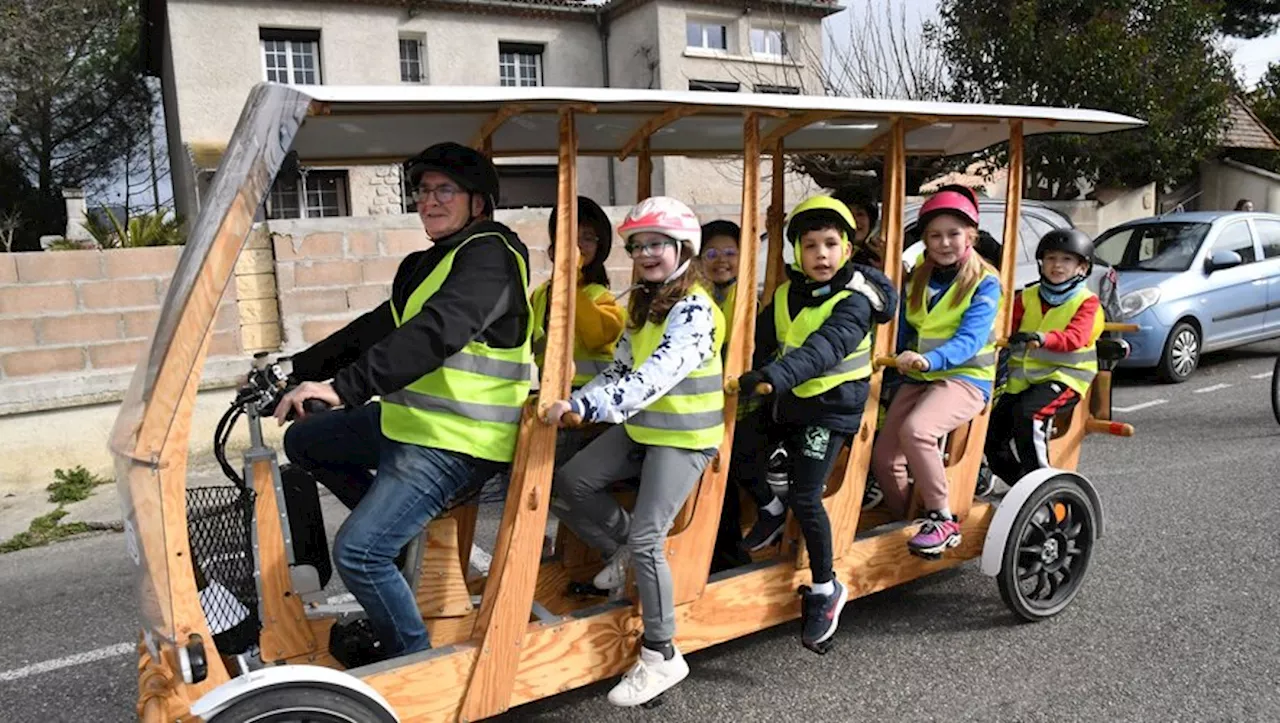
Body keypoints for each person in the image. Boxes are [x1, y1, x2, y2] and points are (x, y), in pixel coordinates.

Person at [276, 142, 533, 660]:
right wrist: (295, 371)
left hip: (459, 440)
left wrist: (341, 389)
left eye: (445, 190)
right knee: (305, 440)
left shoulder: (490, 258)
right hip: (408, 423)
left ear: (478, 203)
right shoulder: (431, 263)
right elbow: (373, 329)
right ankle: (398, 532)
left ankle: (412, 660)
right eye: (422, 190)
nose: (429, 201)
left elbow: (437, 332)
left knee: (359, 552)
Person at [543, 196, 723, 707]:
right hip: (647, 429)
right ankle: (621, 551)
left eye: (657, 244)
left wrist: (593, 407)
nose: (646, 254)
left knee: (649, 538)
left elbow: (653, 377)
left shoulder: (694, 308)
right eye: (638, 246)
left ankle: (662, 653)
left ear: (683, 248)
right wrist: (576, 400)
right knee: (569, 483)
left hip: (686, 436)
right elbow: (621, 367)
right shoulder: (646, 302)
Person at [714, 195, 896, 652]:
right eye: (810, 245)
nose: (821, 254)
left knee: (805, 493)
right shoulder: (783, 295)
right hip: (789, 402)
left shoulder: (855, 302)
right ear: (796, 251)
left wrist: (771, 377)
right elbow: (760, 343)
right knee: (736, 448)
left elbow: (822, 349)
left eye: (831, 244)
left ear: (847, 250)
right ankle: (770, 510)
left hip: (831, 411)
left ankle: (825, 587)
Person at [870, 189, 1001, 558]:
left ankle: (943, 519)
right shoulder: (918, 278)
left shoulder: (985, 281)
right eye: (935, 235)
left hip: (965, 378)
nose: (944, 243)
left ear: (970, 236)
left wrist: (931, 361)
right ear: (924, 241)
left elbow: (971, 339)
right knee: (884, 457)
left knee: (918, 430)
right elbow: (906, 330)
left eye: (953, 234)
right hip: (920, 377)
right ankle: (907, 519)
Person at [985, 229, 1104, 485]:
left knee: (1030, 415)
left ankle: (1041, 484)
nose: (1057, 265)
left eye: (1066, 260)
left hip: (1066, 378)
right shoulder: (1026, 296)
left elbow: (1076, 337)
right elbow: (1005, 327)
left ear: (1082, 268)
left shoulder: (1088, 302)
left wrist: (1041, 338)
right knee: (991, 434)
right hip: (1023, 379)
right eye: (1050, 258)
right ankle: (1022, 488)